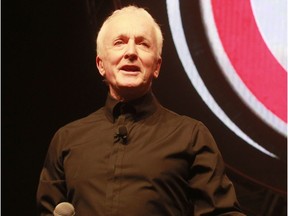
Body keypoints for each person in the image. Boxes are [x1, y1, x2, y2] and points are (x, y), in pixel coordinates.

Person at [37, 5, 245, 215]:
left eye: (143, 44)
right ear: (101, 64)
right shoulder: (67, 140)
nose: (131, 52)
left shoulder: (191, 136)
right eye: (119, 43)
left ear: (156, 66)